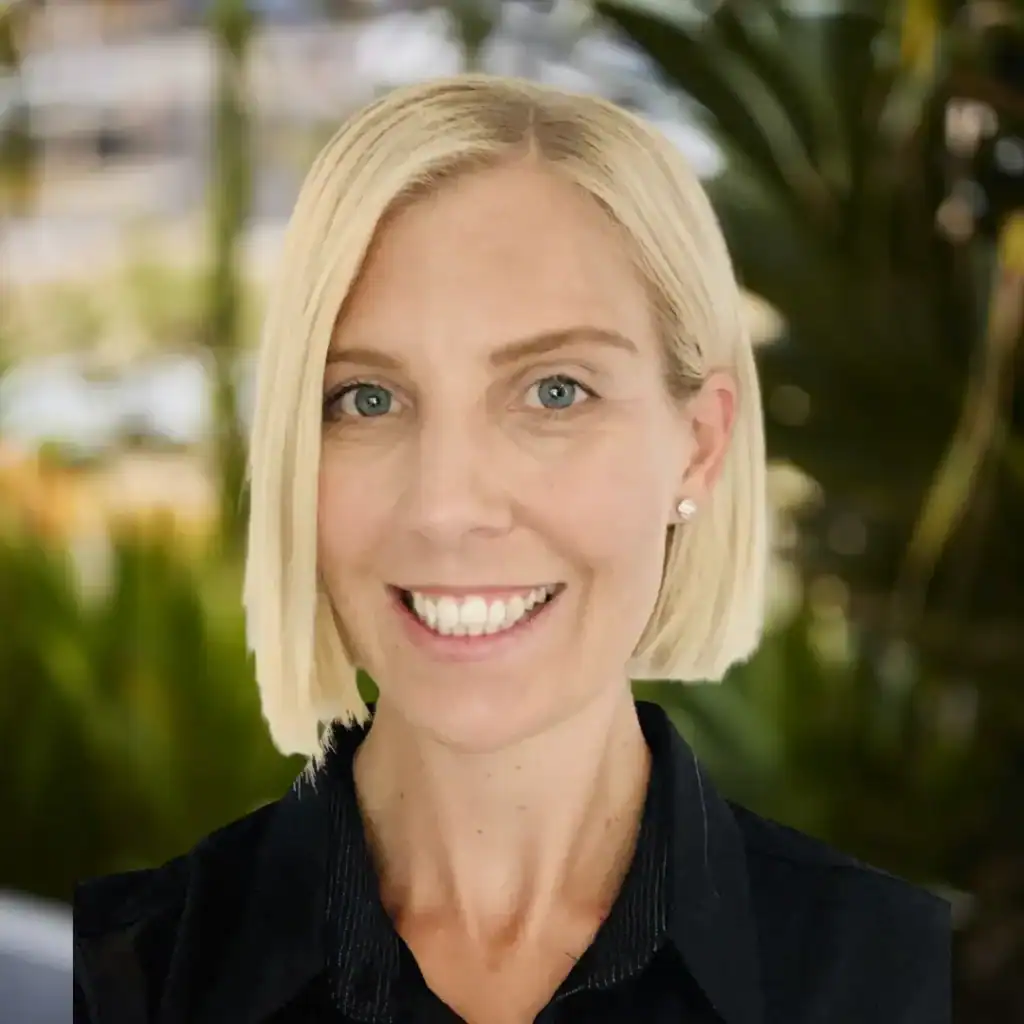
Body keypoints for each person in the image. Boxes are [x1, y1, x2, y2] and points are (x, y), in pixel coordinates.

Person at [73, 74, 950, 1023]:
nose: (447, 507)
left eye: (555, 391)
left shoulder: (898, 975)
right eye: (367, 398)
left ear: (699, 447)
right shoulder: (122, 979)